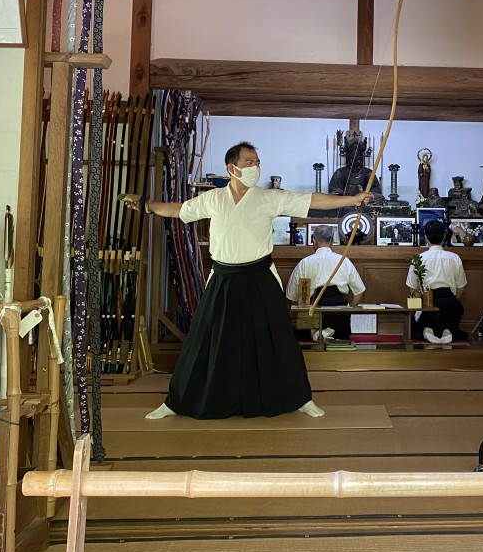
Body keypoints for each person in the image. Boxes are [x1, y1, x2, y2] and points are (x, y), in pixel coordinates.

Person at [121, 141, 373, 420]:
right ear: (232, 168)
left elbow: (311, 200)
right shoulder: (214, 198)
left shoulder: (267, 197)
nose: (255, 167)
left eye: (257, 162)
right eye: (249, 162)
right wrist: (147, 205)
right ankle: (177, 401)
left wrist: (352, 200)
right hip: (223, 278)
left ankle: (300, 398)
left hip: (260, 276)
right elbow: (180, 210)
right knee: (203, 339)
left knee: (278, 339)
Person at [285, 225, 365, 341]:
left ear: (314, 241)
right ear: (332, 241)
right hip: (340, 319)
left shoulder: (304, 263)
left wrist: (303, 309)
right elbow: (359, 290)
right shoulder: (344, 261)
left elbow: (291, 296)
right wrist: (349, 310)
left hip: (312, 315)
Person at [406, 220, 467, 345]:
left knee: (416, 324)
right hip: (450, 303)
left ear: (426, 237)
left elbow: (413, 290)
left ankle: (428, 330)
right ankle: (446, 330)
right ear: (445, 236)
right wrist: (452, 302)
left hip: (428, 304)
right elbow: (461, 287)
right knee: (450, 313)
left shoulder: (419, 259)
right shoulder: (454, 258)